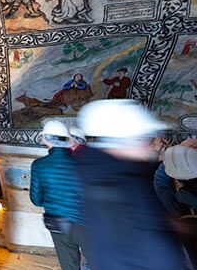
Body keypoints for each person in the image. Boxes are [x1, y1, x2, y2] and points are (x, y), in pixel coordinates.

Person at [75, 99, 190, 269]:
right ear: (124, 140)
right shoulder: (121, 185)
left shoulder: (103, 174)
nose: (148, 143)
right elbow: (153, 249)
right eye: (144, 138)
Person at [30, 120, 92, 270]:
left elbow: (36, 200)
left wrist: (54, 200)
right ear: (68, 139)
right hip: (85, 222)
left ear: (45, 139)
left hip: (58, 224)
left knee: (69, 265)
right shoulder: (83, 163)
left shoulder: (39, 165)